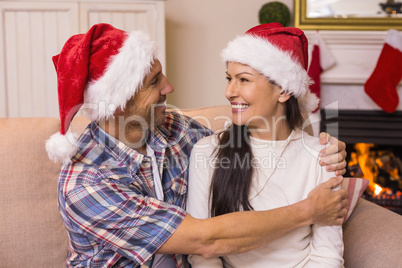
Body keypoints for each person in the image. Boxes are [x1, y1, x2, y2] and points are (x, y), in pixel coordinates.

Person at [46, 23, 348, 267]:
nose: (169, 87)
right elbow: (207, 241)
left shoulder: (174, 131)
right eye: (154, 82)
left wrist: (323, 147)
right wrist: (309, 210)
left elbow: (255, 127)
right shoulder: (85, 184)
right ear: (118, 104)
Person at [187, 23, 345, 267]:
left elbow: (327, 256)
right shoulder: (207, 151)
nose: (229, 91)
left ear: (283, 90)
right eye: (229, 78)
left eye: (243, 80)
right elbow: (202, 255)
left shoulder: (323, 155)